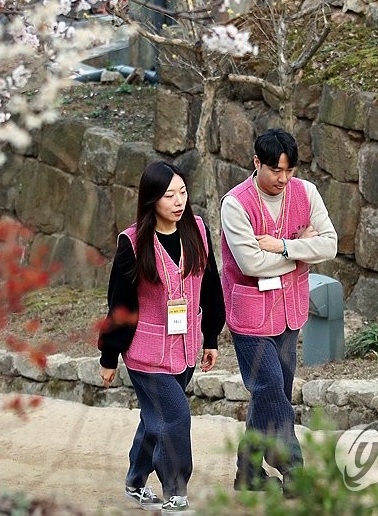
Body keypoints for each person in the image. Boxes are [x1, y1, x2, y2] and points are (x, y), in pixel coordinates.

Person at [98, 161, 225, 514]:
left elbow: (210, 286)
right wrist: (109, 357)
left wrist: (211, 336)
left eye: (182, 192)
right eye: (169, 195)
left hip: (185, 349)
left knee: (155, 419)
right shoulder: (133, 242)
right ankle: (176, 491)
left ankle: (135, 481)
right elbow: (119, 304)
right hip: (146, 353)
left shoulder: (197, 230)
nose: (178, 201)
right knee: (175, 416)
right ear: (152, 199)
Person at [219, 127, 337, 493]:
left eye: (289, 171)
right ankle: (294, 472)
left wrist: (282, 247)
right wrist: (301, 252)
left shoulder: (306, 192)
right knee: (271, 386)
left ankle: (249, 474)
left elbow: (330, 244)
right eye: (275, 171)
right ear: (257, 163)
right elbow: (250, 264)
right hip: (250, 316)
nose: (283, 179)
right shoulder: (235, 203)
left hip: (289, 312)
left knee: (271, 393)